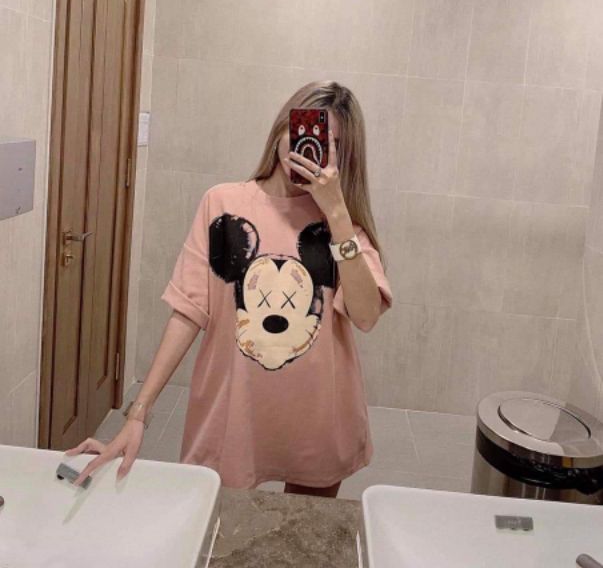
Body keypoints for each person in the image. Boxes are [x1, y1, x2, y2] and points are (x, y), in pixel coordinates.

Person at [67, 80, 392, 498]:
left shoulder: (344, 224)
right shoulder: (222, 204)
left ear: (342, 158)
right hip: (232, 415)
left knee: (302, 535)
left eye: (329, 143)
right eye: (303, 128)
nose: (309, 146)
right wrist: (138, 414)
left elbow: (365, 315)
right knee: (221, 528)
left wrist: (337, 215)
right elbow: (188, 312)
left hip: (321, 419)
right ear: (281, 127)